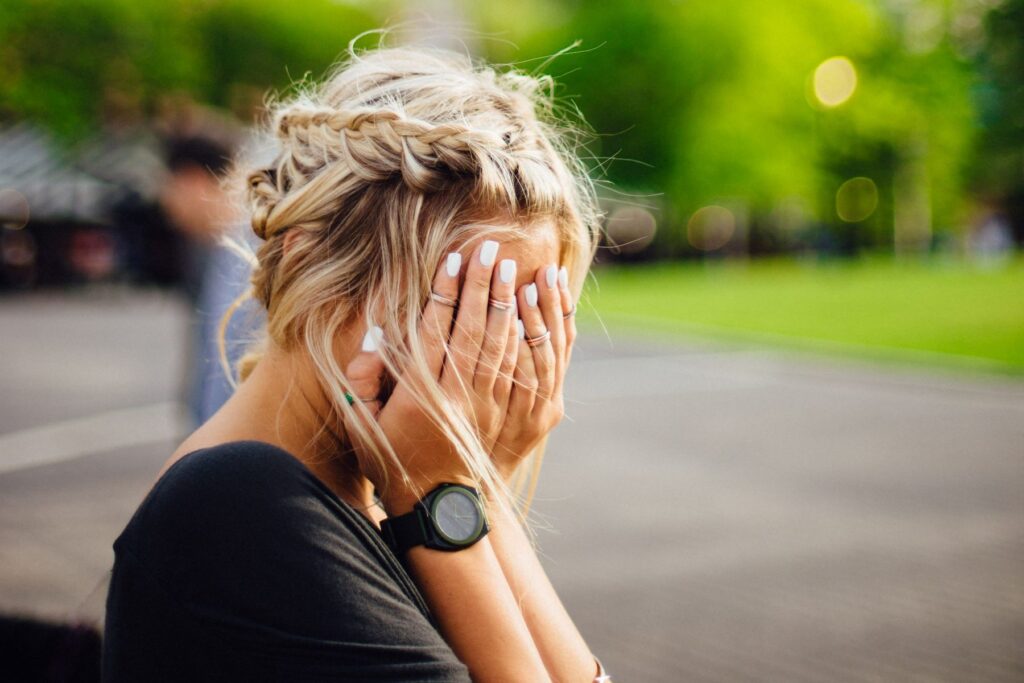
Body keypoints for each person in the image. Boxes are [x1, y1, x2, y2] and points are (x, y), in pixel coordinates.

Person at [103, 42, 610, 682]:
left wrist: (473, 496)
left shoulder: (381, 485)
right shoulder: (238, 505)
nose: (499, 360)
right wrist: (441, 501)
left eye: (528, 316)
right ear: (313, 265)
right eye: (463, 309)